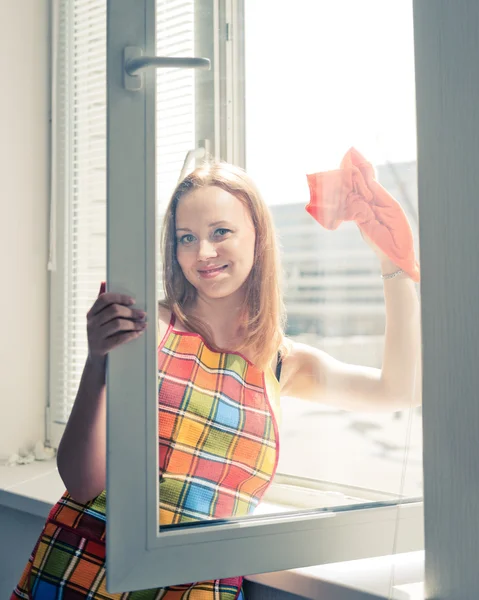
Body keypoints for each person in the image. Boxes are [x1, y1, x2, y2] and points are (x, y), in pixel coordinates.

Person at [11, 162, 421, 599]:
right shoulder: (149, 327)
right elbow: (81, 482)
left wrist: (391, 263)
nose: (203, 251)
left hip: (198, 586)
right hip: (88, 572)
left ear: (258, 238)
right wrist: (97, 360)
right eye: (186, 237)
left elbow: (398, 390)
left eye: (220, 232)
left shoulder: (281, 362)